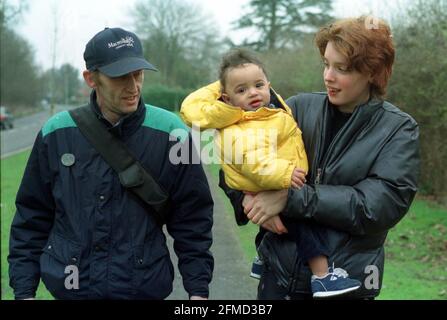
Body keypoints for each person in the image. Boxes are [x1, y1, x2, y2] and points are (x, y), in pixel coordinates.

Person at [219, 16, 420, 300]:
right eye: (326, 64)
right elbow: (236, 158)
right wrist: (248, 201)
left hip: (346, 287)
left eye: (342, 68)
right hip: (276, 279)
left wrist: (290, 198)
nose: (328, 76)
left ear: (373, 73)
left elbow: (378, 206)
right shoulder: (297, 108)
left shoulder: (398, 129)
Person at [8, 27, 214, 300]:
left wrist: (197, 292)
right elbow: (31, 217)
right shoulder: (56, 132)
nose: (134, 86)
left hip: (143, 289)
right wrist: (24, 292)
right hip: (72, 289)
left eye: (138, 74)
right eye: (120, 77)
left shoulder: (172, 132)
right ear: (91, 79)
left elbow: (193, 218)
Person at [181, 48, 361, 298]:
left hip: (273, 182)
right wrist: (285, 174)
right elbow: (254, 161)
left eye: (258, 85)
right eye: (241, 90)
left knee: (278, 225)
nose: (253, 93)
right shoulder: (240, 126)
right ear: (226, 100)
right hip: (272, 181)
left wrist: (237, 75)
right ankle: (322, 277)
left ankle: (260, 259)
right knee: (304, 226)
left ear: (269, 86)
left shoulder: (269, 111)